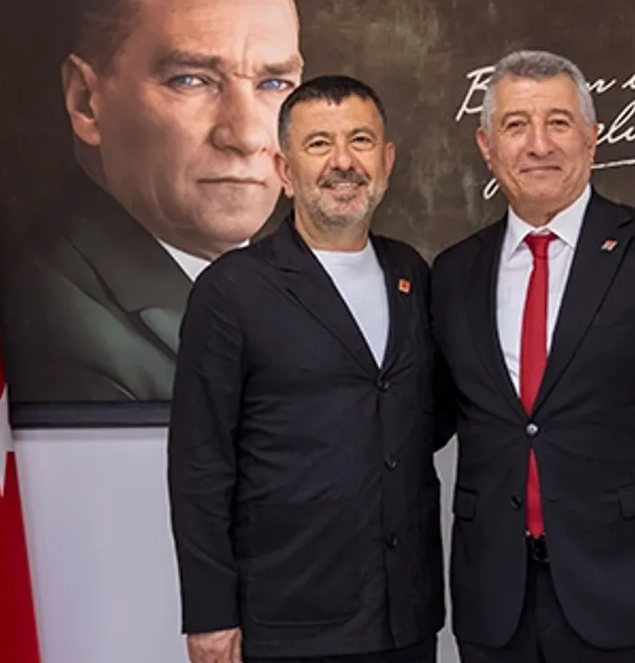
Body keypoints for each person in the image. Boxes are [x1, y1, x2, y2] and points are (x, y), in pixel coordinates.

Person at [431, 50, 635, 662]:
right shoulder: (453, 272)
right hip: (495, 601)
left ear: (592, 138)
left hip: (627, 595)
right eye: (516, 125)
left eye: (559, 122)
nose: (538, 144)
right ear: (486, 146)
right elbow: (433, 416)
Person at [167, 74, 445, 663]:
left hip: (405, 614)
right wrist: (210, 613)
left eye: (360, 141)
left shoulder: (412, 274)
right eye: (319, 144)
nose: (343, 162)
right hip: (289, 617)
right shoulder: (232, 290)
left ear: (387, 161)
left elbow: (422, 414)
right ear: (285, 170)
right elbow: (200, 462)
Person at [3, 0, 303, 402]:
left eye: (274, 84)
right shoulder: (60, 334)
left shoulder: (300, 290)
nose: (247, 135)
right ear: (86, 102)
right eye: (191, 80)